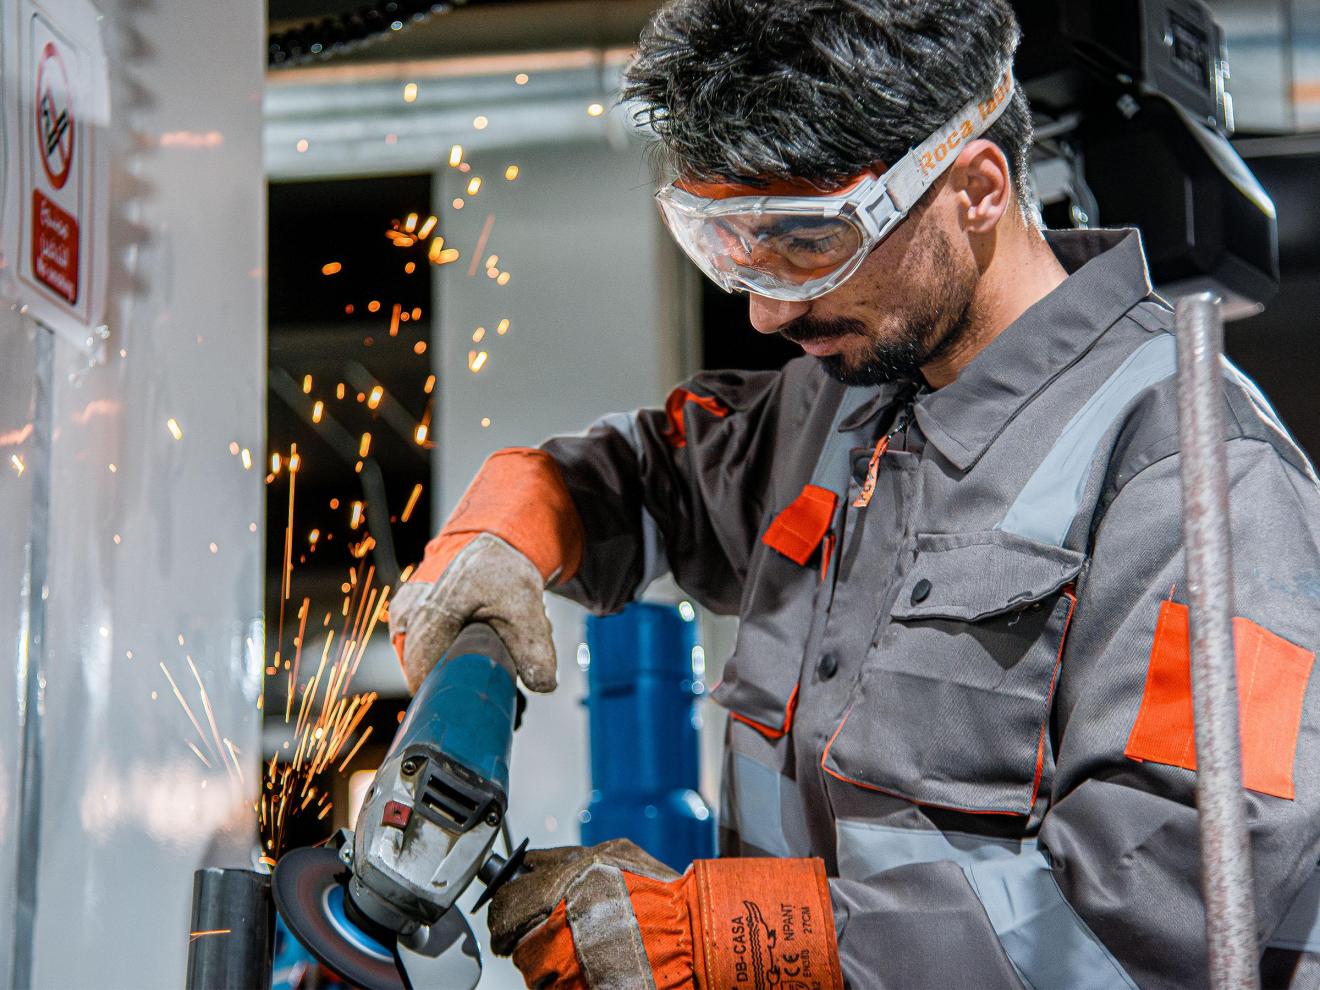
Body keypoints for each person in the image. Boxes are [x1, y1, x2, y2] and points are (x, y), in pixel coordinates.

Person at [389, 1, 1320, 986]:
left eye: (806, 239)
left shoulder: (1201, 475)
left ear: (975, 188)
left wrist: (730, 947)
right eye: (730, 244)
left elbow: (1172, 893)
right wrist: (510, 531)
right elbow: (651, 475)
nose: (768, 307)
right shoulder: (842, 404)